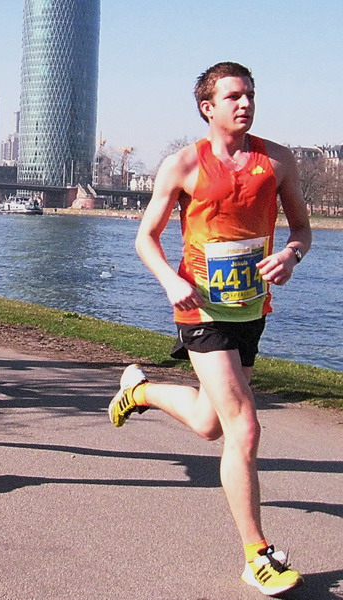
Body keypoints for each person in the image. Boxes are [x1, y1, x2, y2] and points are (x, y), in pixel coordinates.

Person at [108, 62, 311, 596]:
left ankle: (140, 391)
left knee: (208, 423)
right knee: (244, 426)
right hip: (199, 308)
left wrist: (291, 254)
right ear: (208, 107)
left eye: (250, 95)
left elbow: (302, 229)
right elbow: (146, 238)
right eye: (233, 96)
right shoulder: (182, 165)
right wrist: (169, 282)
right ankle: (257, 555)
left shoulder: (278, 161)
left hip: (250, 308)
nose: (245, 104)